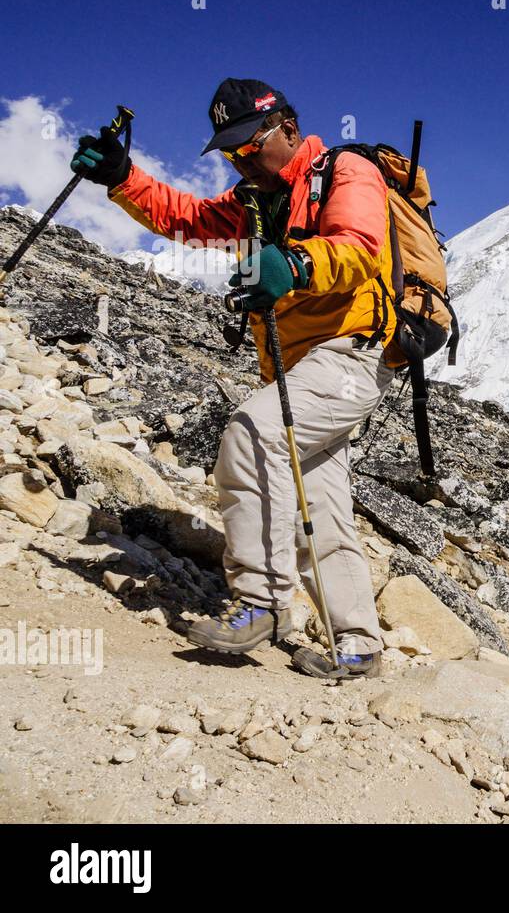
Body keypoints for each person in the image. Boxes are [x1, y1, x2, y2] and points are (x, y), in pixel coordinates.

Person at [70, 79, 399, 678]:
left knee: (251, 431)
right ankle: (359, 645)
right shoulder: (251, 203)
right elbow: (187, 218)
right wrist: (123, 176)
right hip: (298, 364)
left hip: (353, 352)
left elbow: (359, 247)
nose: (242, 158)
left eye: (251, 144)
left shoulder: (346, 172)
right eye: (231, 150)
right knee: (319, 497)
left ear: (289, 130)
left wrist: (295, 262)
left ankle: (263, 603)